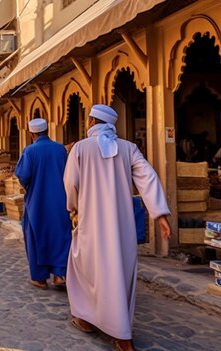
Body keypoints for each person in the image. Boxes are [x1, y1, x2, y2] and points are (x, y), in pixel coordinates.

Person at [63, 104, 171, 351]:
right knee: (117, 273)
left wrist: (74, 208)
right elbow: (148, 177)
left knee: (85, 269)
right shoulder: (128, 148)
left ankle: (115, 332)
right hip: (122, 226)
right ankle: (100, 322)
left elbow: (70, 183)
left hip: (90, 223)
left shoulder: (80, 148)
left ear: (91, 122)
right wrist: (160, 213)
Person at [15, 119, 72, 289]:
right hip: (60, 201)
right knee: (60, 235)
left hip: (37, 202)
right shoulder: (60, 149)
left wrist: (30, 187)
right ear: (47, 130)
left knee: (35, 236)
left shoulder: (30, 151)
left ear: (32, 134)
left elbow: (23, 176)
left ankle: (39, 278)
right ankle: (59, 275)